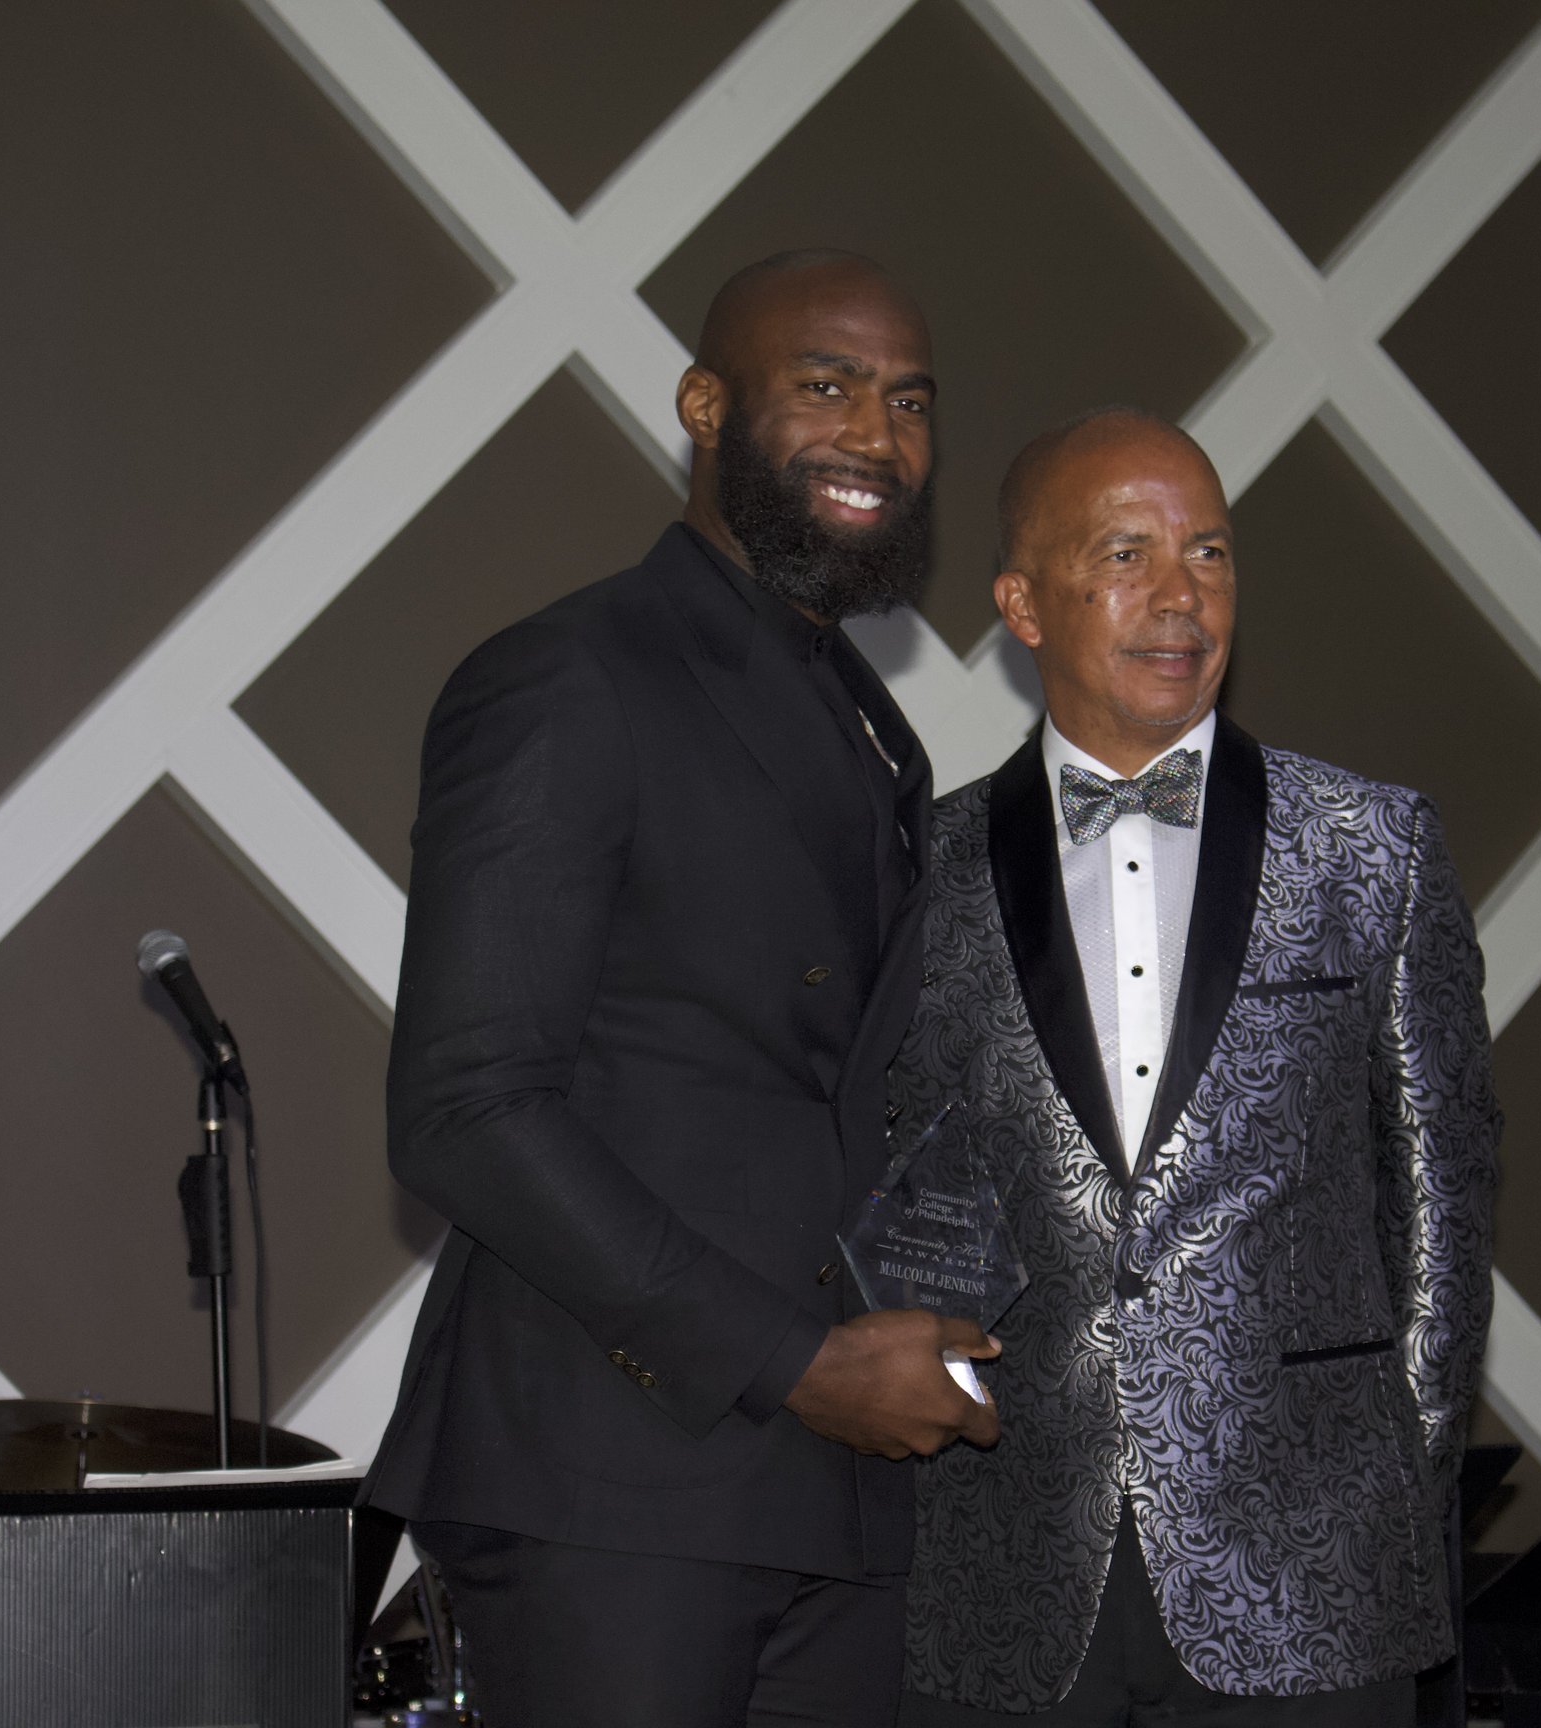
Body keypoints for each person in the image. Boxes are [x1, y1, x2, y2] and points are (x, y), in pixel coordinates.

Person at [362, 250, 1000, 1727]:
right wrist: (797, 1363)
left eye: (909, 401)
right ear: (705, 406)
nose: (878, 433)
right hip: (620, 1483)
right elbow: (464, 1109)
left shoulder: (869, 725)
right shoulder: (571, 677)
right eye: (824, 384)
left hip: (832, 1500)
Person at [893, 408, 1502, 1724]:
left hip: (1312, 1576)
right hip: (1005, 1576)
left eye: (1211, 553)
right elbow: (906, 1189)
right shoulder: (914, 876)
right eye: (1128, 553)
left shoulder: (1374, 848)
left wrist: (1390, 1488)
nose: (1183, 595)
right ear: (1023, 602)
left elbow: (1446, 1208)